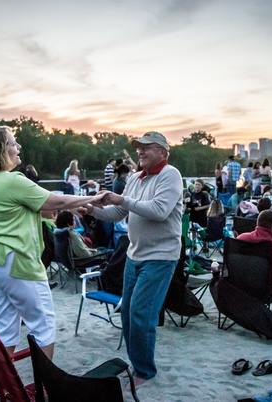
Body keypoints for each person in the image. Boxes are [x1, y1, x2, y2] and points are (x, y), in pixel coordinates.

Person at [0, 126, 111, 360]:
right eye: (14, 143)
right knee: (42, 323)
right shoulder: (12, 180)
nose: (18, 147)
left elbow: (21, 208)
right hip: (11, 259)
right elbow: (55, 200)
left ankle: (1, 382)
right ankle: (44, 386)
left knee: (5, 320)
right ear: (1, 150)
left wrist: (66, 206)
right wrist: (94, 198)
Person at [84, 131, 182, 386]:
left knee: (141, 314)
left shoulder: (170, 174)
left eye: (146, 147)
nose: (140, 151)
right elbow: (118, 213)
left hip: (160, 256)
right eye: (139, 147)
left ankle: (144, 371)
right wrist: (92, 210)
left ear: (162, 151)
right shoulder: (136, 178)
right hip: (134, 254)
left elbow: (160, 211)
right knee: (127, 312)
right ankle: (137, 362)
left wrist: (123, 199)